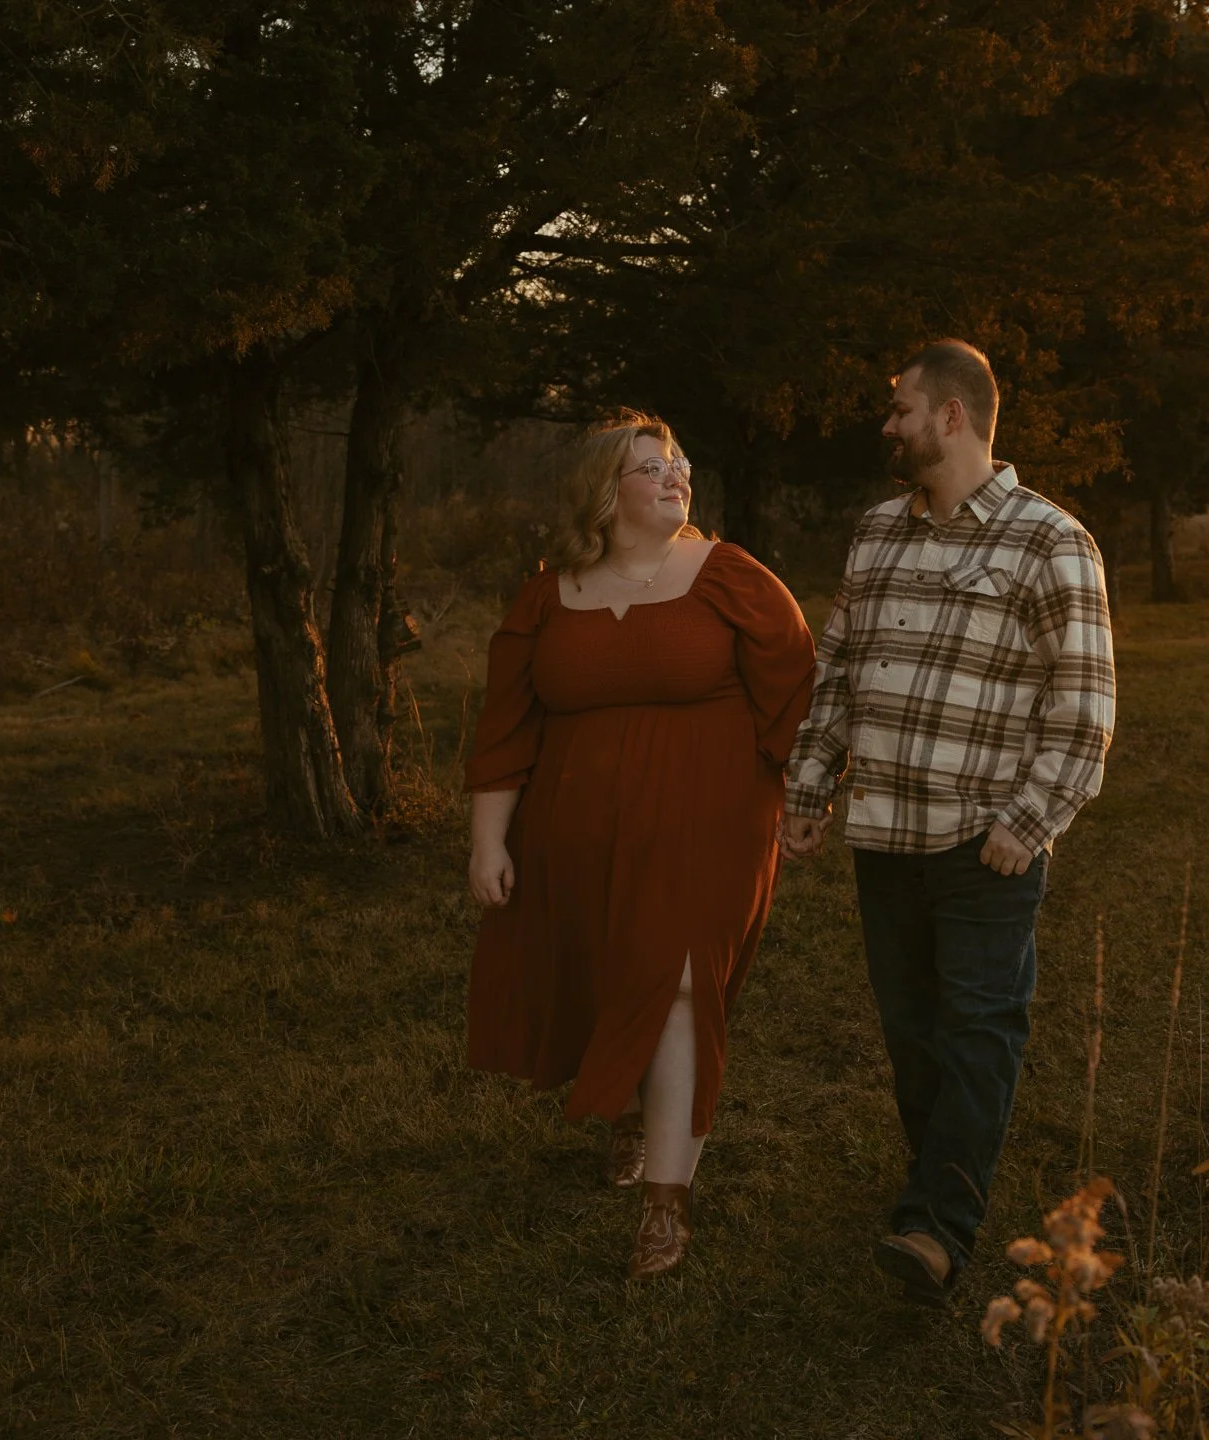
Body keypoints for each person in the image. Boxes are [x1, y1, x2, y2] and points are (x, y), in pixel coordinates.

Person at [781, 340, 1116, 1305]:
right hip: (884, 836)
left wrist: (1029, 820)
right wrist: (810, 789)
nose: (889, 425)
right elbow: (838, 671)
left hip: (983, 844)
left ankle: (936, 1227)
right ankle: (937, 1178)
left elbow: (1084, 708)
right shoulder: (877, 531)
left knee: (978, 1029)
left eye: (901, 409)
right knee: (912, 1031)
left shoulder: (1050, 541)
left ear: (953, 418)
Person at [464, 412, 815, 1280]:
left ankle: (667, 1202)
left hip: (711, 824)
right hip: (575, 828)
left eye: (680, 463)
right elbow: (507, 730)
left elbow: (799, 690)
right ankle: (627, 1110)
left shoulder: (729, 575)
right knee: (605, 972)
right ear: (602, 492)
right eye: (651, 466)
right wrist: (488, 843)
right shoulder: (547, 596)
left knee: (681, 984)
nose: (674, 476)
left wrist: (806, 793)